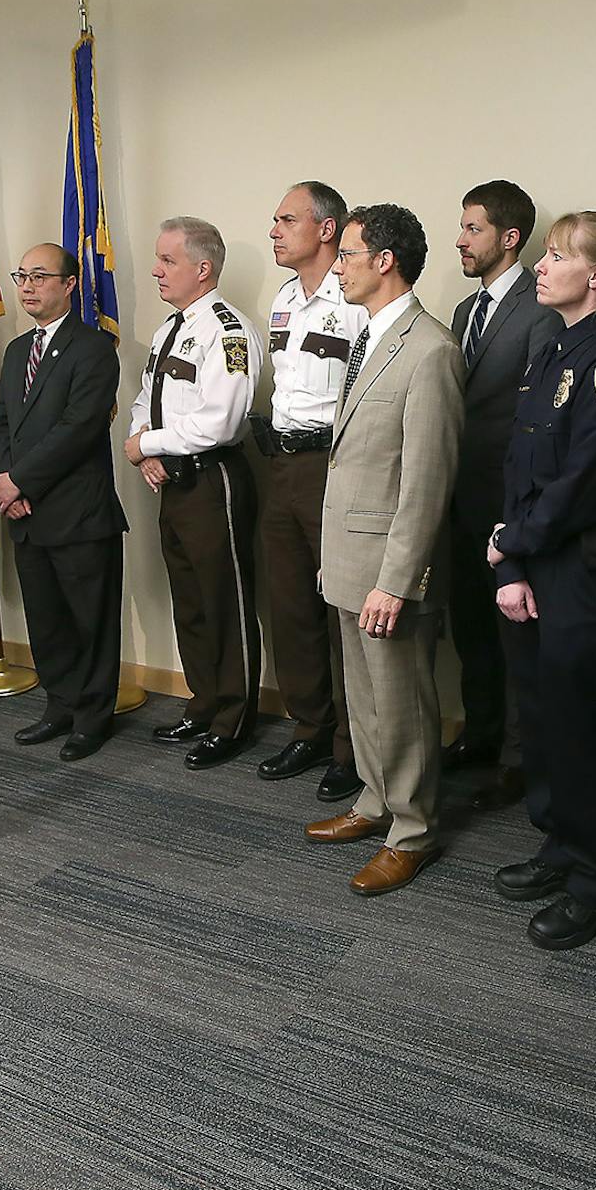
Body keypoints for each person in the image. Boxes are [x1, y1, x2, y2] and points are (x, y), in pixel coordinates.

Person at [487, 211, 596, 951]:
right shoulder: (553, 348)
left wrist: (512, 542)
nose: (540, 265)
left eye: (557, 255)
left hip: (591, 569)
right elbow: (522, 467)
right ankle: (559, 846)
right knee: (546, 719)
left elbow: (586, 480)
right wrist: (516, 562)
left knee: (586, 729)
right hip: (538, 564)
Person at [300, 204, 464, 895]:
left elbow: (427, 481)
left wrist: (396, 581)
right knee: (362, 699)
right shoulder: (370, 337)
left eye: (348, 254)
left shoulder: (430, 350)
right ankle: (375, 802)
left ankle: (414, 829)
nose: (338, 265)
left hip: (389, 569)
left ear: (384, 260)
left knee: (401, 704)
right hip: (348, 557)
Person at [124, 217, 265, 770]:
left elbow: (221, 423)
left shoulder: (228, 331)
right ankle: (204, 703)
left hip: (213, 482)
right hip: (174, 482)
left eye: (167, 261)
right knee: (190, 599)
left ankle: (234, 720)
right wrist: (147, 446)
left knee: (223, 602)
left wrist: (146, 445)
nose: (156, 270)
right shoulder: (169, 329)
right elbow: (145, 397)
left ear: (202, 269)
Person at [446, 180, 562, 807]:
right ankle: (481, 733)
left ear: (509, 238)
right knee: (469, 625)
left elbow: (538, 415)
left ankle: (519, 758)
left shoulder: (540, 306)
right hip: (461, 494)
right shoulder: (466, 312)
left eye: (472, 228)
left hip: (510, 500)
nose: (459, 240)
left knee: (515, 634)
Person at [0, 244, 128, 760]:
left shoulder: (93, 347)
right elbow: (1, 421)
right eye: (21, 275)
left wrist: (19, 481)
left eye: (40, 276)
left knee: (89, 620)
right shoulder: (16, 349)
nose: (26, 285)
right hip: (25, 511)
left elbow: (79, 429)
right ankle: (60, 704)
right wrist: (8, 481)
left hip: (78, 512)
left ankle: (93, 716)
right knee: (45, 617)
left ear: (70, 284)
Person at [256, 183, 365, 804]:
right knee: (291, 603)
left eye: (286, 219)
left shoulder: (352, 298)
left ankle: (352, 744)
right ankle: (311, 726)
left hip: (332, 463)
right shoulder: (282, 299)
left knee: (339, 610)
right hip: (281, 463)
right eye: (274, 221)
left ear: (327, 229)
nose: (275, 230)